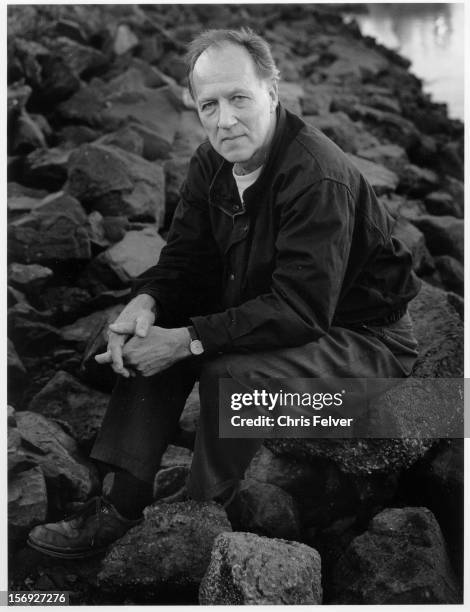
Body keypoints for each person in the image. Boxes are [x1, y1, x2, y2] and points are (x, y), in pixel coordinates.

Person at [28, 28, 420, 559]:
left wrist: (187, 340)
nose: (225, 119)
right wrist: (147, 304)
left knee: (227, 372)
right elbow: (185, 262)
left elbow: (302, 310)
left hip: (363, 337)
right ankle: (122, 502)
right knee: (150, 328)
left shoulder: (317, 178)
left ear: (273, 92)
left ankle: (201, 515)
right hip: (286, 308)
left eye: (239, 98)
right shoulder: (211, 162)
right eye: (209, 104)